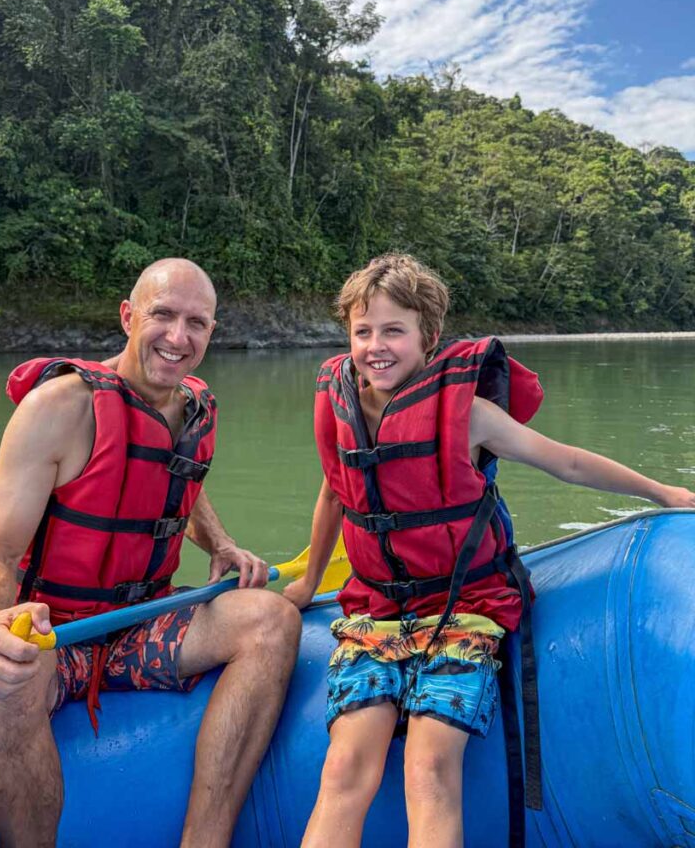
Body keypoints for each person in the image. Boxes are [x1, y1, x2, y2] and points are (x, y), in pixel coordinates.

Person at [284, 253, 695, 848]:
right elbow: (334, 495)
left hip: (465, 609)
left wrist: (663, 492)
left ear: (428, 335)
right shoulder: (342, 404)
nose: (376, 346)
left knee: (430, 767)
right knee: (344, 766)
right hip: (374, 612)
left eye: (393, 330)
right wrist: (306, 583)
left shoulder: (470, 413)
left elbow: (567, 461)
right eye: (363, 331)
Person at [0, 258, 302, 848]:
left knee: (271, 620)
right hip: (52, 635)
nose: (178, 337)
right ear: (127, 316)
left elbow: (174, 481)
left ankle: (205, 840)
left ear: (211, 333)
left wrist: (219, 543)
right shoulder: (59, 409)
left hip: (139, 625)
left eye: (196, 322)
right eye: (162, 315)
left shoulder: (192, 408)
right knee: (7, 677)